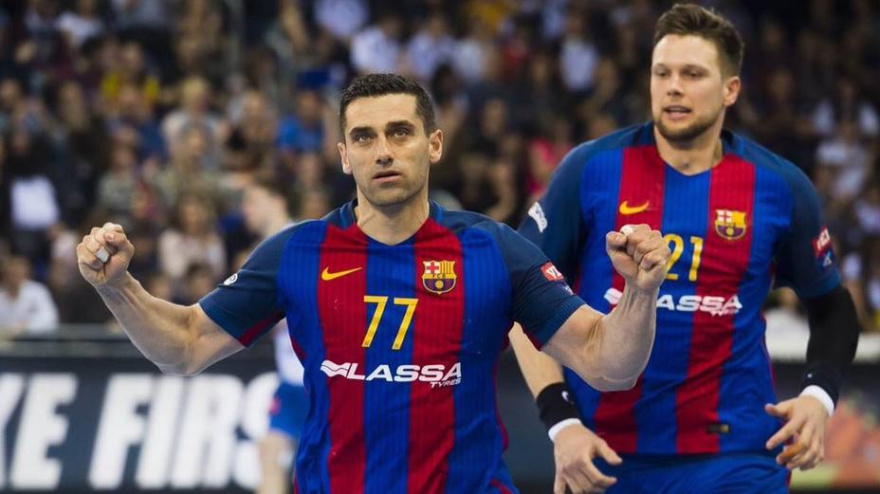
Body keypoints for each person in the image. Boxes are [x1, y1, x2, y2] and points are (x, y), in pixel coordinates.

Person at [75, 73, 670, 493]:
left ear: (434, 144)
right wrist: (118, 286)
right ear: (343, 156)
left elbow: (608, 365)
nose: (382, 151)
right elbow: (184, 346)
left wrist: (640, 293)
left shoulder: (493, 250)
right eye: (363, 137)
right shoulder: (298, 252)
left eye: (400, 132)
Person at [511, 5, 861, 493]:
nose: (673, 87)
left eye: (692, 74)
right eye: (662, 73)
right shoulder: (590, 170)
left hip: (737, 456)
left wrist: (818, 396)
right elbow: (523, 298)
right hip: (605, 456)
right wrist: (562, 423)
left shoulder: (779, 187)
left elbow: (833, 308)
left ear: (730, 89)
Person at [240, 176, 308, 494]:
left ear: (278, 201)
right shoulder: (262, 252)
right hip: (292, 379)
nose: (246, 210)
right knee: (270, 451)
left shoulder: (301, 242)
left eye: (253, 201)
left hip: (320, 378)